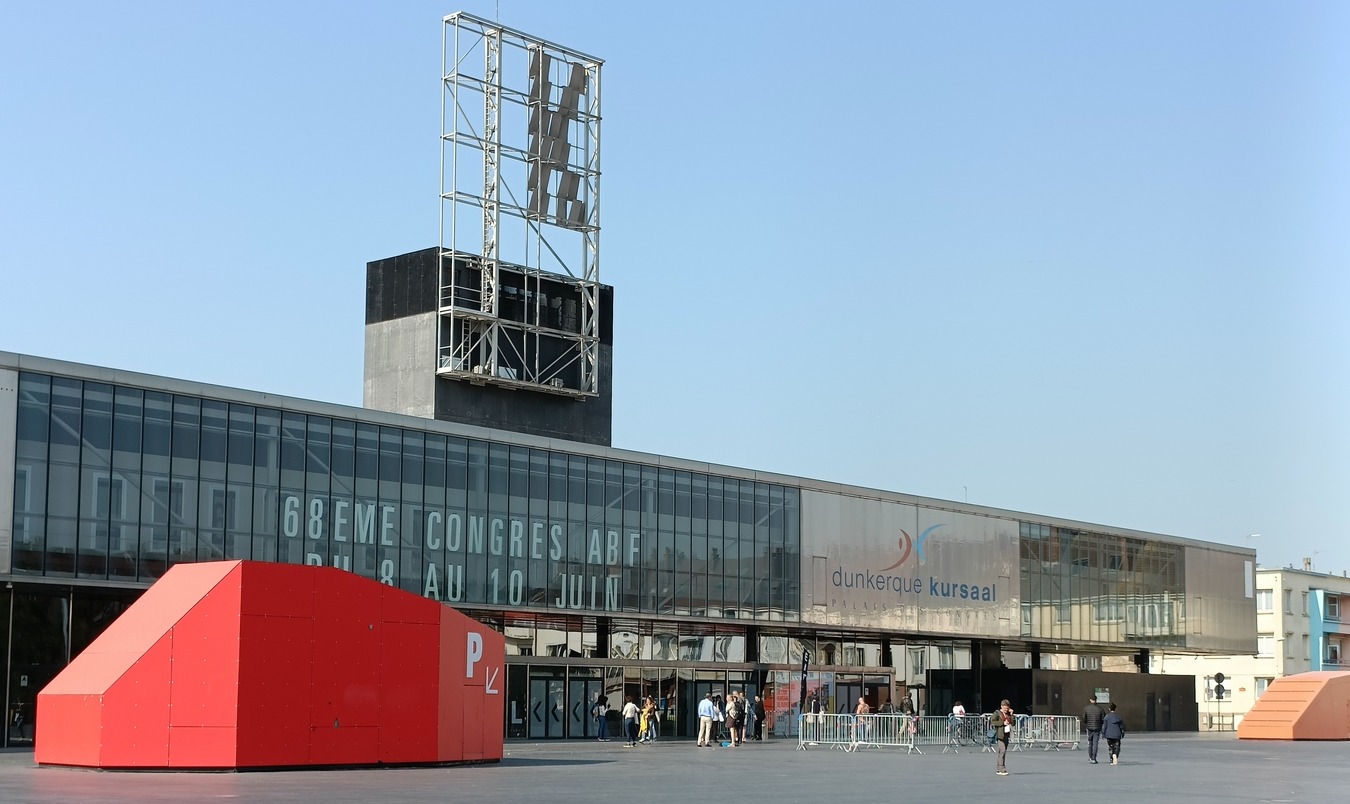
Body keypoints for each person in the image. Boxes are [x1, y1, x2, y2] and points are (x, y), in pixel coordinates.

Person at [1083, 696, 1106, 764]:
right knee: (1095, 743)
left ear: (1090, 700)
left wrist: (1087, 723)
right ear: (1096, 700)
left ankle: (1090, 757)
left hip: (1089, 727)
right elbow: (1103, 719)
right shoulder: (1100, 709)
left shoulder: (1086, 708)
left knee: (1090, 742)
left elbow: (1084, 718)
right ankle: (1094, 758)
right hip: (1097, 728)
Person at [994, 699, 1014, 775]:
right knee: (1002, 750)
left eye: (1007, 708)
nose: (1006, 710)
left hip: (1006, 734)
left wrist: (1012, 715)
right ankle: (1002, 769)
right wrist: (1002, 722)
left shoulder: (1009, 714)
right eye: (1005, 708)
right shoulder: (997, 713)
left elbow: (1013, 723)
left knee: (1003, 751)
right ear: (1001, 706)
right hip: (1000, 734)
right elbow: (993, 722)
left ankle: (999, 768)